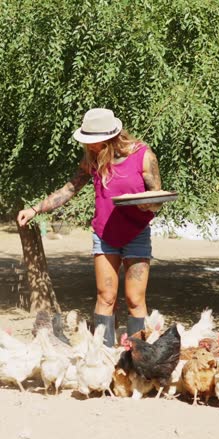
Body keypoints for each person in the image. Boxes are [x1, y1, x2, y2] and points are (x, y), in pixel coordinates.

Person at [17, 108, 162, 347]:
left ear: (111, 136)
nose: (90, 146)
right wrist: (35, 209)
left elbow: (158, 198)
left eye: (94, 141)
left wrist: (149, 204)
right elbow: (70, 189)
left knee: (135, 299)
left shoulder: (144, 156)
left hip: (136, 234)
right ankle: (101, 356)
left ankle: (137, 360)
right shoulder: (92, 160)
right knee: (106, 297)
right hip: (104, 235)